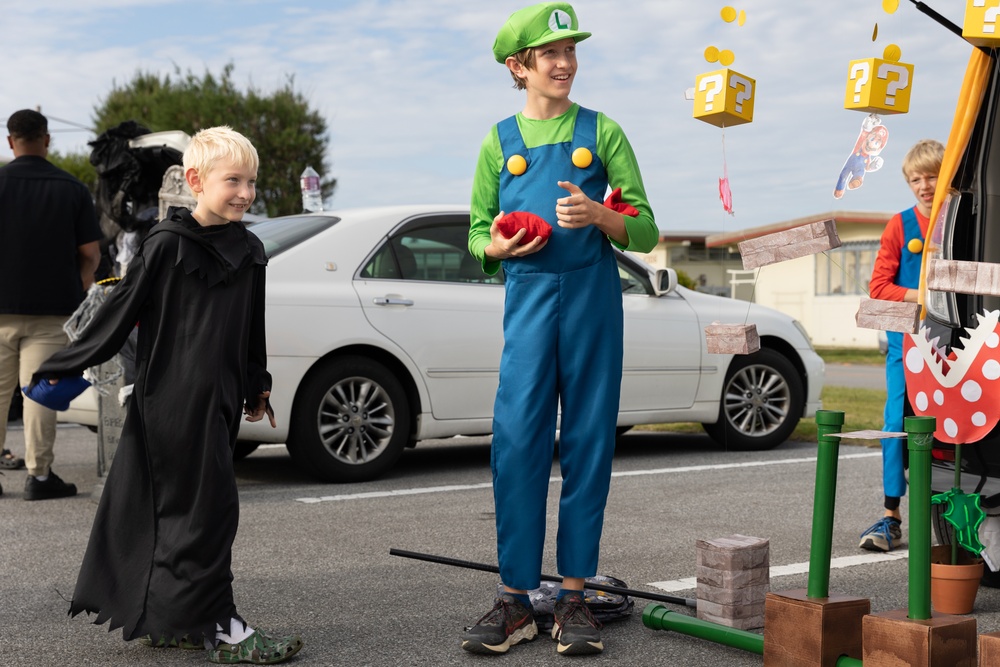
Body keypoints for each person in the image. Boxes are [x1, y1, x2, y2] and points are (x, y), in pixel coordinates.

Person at [26, 126, 303, 663]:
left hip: (219, 401)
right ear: (196, 181)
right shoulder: (167, 243)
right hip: (171, 402)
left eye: (251, 182)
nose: (245, 193)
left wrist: (257, 385)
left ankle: (173, 619)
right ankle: (223, 629)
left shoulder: (249, 247)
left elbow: (252, 326)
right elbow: (119, 310)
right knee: (208, 512)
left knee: (193, 513)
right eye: (233, 181)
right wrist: (63, 365)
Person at [462, 2, 657, 656]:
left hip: (592, 299)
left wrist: (599, 213)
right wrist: (494, 244)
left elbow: (647, 227)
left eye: (571, 51)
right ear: (519, 66)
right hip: (528, 297)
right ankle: (515, 599)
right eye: (552, 54)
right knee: (516, 440)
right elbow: (474, 231)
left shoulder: (603, 132)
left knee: (587, 443)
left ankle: (573, 598)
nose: (566, 63)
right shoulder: (497, 141)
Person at [0, 109, 101, 499]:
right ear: (47, 139)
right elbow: (90, 255)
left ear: (11, 141)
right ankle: (38, 477)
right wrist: (76, 289)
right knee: (38, 391)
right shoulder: (72, 188)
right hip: (51, 311)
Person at [862, 138, 945, 552]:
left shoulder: (962, 218)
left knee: (952, 423)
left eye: (931, 176)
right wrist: (924, 295)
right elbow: (878, 287)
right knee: (896, 423)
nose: (925, 185)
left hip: (958, 341)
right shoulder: (900, 224)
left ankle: (956, 510)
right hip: (906, 342)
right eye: (916, 179)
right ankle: (890, 515)